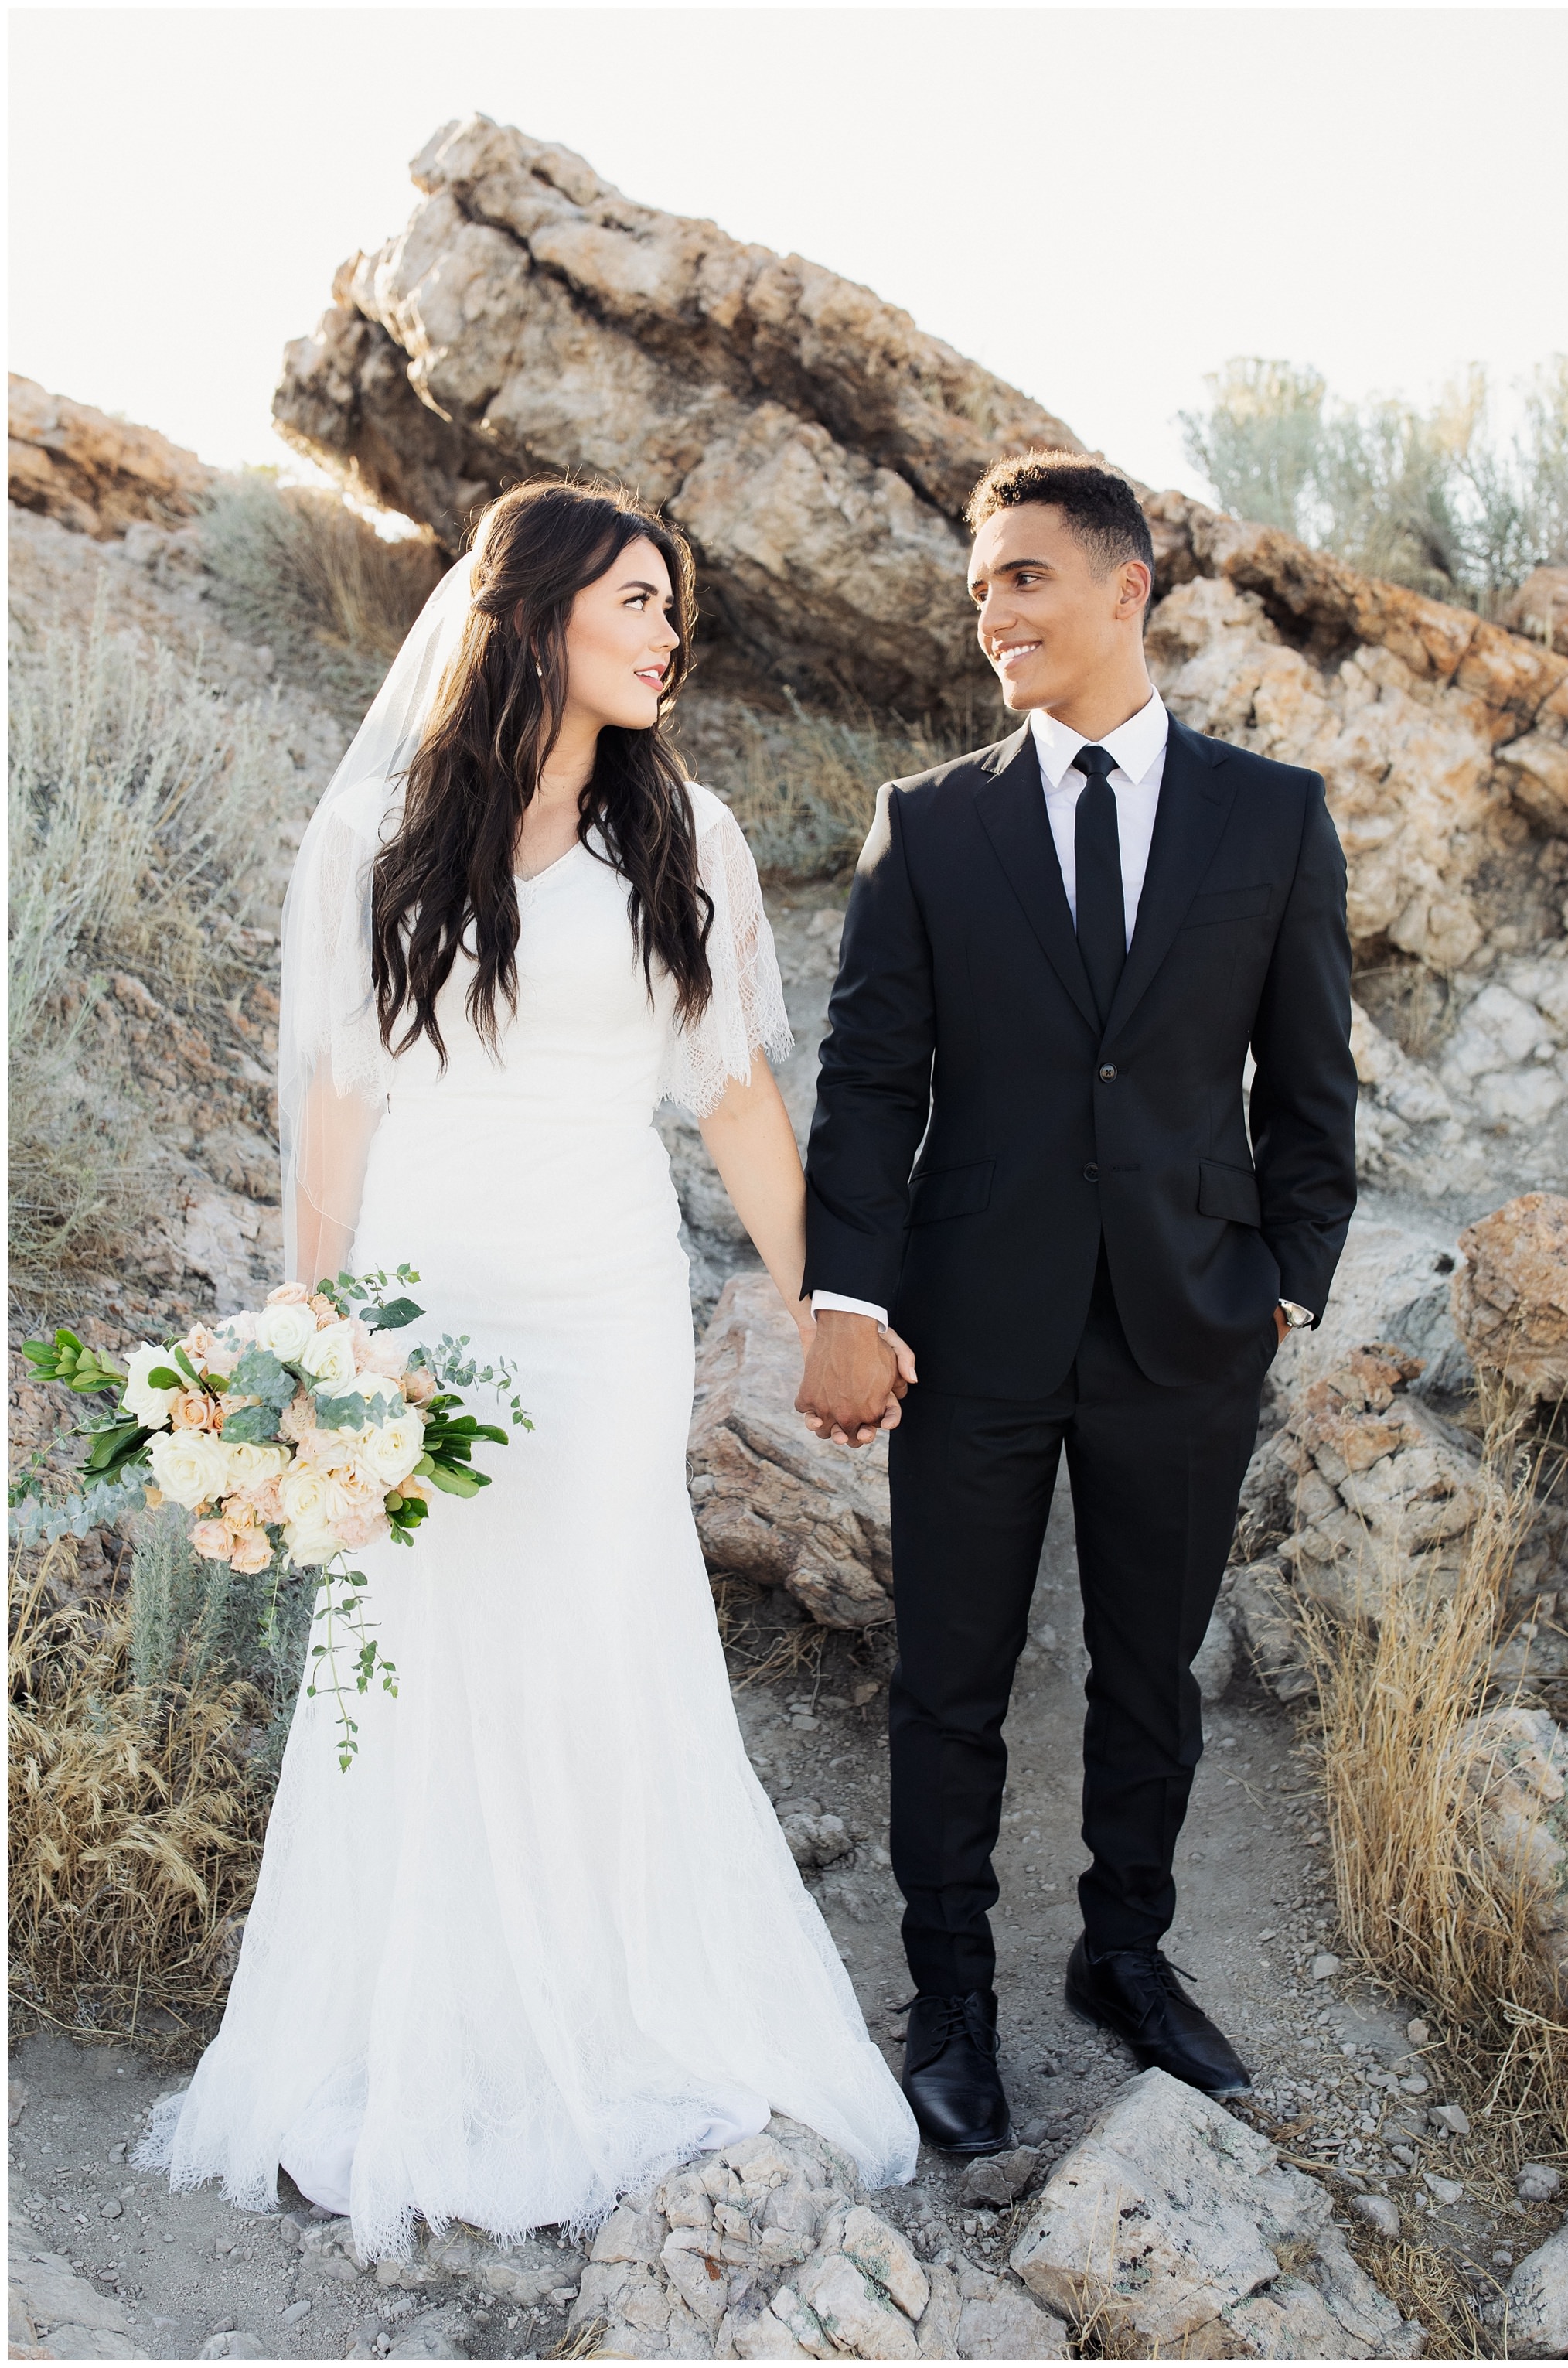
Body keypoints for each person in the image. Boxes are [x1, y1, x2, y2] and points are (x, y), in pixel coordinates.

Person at [145, 482, 916, 2257]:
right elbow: (338, 1109)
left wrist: (826, 1305)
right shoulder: (376, 837)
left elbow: (733, 1100)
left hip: (600, 1309)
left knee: (589, 1638)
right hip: (425, 1302)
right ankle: (428, 2042)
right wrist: (306, 1342)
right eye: (639, 600)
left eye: (676, 609)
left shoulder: (688, 835)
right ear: (541, 610)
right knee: (423, 1657)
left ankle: (613, 2014)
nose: (667, 635)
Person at [796, 451, 1356, 2155]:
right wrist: (846, 1295)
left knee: (1149, 1673)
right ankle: (947, 1992)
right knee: (947, 1679)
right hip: (968, 1324)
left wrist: (1283, 1292)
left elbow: (1312, 1091)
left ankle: (1124, 1954)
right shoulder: (929, 818)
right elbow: (870, 1078)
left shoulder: (1272, 815)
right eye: (980, 589)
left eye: (1024, 577)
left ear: (1124, 588)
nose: (994, 613)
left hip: (1190, 1320)